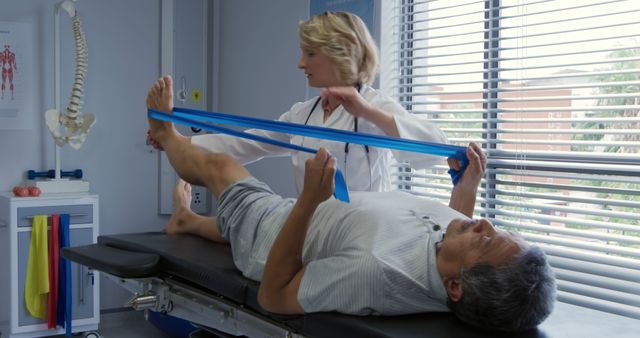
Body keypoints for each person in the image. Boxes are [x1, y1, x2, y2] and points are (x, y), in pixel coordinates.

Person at [146, 75, 556, 332]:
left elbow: (274, 295)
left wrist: (309, 201)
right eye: (498, 229)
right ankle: (186, 221)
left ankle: (164, 134)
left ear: (454, 287)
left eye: (486, 241)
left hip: (272, 237)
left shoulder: (375, 273)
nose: (484, 223)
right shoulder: (449, 254)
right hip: (306, 220)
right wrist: (465, 188)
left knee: (219, 168)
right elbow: (451, 243)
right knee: (227, 223)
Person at [147, 11, 453, 236]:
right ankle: (187, 216)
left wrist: (368, 112)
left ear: (340, 54)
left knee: (263, 222)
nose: (300, 64)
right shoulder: (303, 112)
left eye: (310, 53)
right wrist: (180, 142)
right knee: (259, 218)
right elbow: (247, 142)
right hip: (312, 224)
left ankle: (187, 219)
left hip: (363, 229)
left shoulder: (375, 106)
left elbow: (436, 150)